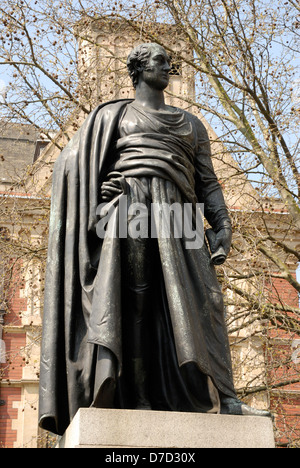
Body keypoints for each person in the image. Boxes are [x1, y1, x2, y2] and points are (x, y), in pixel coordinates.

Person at [39, 43, 270, 436]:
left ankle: (226, 397)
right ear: (138, 69)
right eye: (160, 61)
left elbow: (208, 183)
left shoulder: (190, 124)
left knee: (208, 299)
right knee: (137, 301)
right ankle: (140, 394)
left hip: (179, 214)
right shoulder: (113, 116)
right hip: (132, 208)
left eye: (169, 62)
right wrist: (97, 196)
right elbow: (72, 165)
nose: (169, 67)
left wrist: (224, 225)